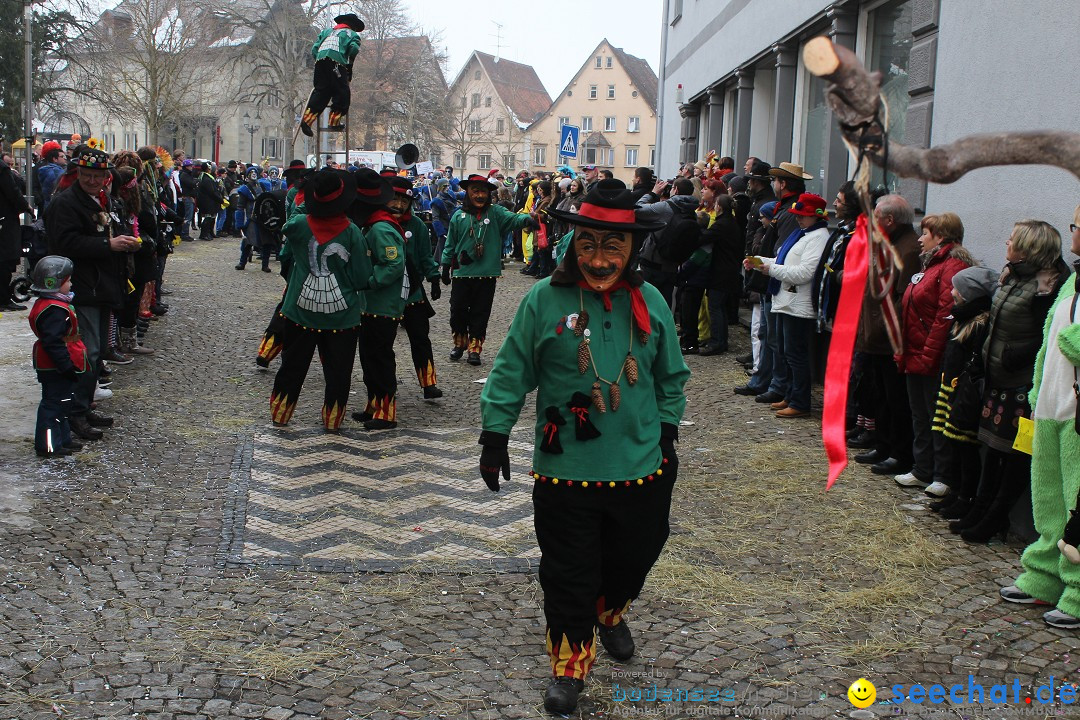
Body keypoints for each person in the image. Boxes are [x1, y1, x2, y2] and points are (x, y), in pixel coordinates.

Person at [477, 179, 690, 714]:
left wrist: (667, 431)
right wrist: (494, 435)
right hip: (564, 468)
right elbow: (509, 373)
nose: (600, 259)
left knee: (635, 557)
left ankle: (611, 610)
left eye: (612, 247)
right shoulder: (543, 299)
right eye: (589, 245)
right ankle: (570, 664)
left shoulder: (651, 300)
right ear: (573, 246)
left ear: (632, 249)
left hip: (641, 465)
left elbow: (672, 376)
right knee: (568, 571)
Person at [951, 219, 1071, 542]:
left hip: (1021, 384)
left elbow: (1048, 332)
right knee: (991, 450)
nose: (1006, 242)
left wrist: (1018, 356)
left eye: (1013, 239)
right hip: (997, 379)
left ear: (1029, 248)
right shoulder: (1011, 274)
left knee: (1014, 457)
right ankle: (979, 509)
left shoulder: (1049, 284)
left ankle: (994, 517)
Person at [999, 207, 1080, 628]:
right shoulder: (1071, 285)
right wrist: (1035, 392)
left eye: (1077, 227)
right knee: (1047, 495)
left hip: (1076, 412)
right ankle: (1045, 574)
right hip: (1051, 405)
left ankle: (1079, 588)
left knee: (1076, 500)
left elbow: (1068, 340)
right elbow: (1049, 344)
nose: (1073, 234)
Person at [44, 147, 140, 440]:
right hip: (81, 287)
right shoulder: (66, 203)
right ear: (78, 174)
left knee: (96, 354)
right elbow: (65, 244)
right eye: (86, 175)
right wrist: (108, 246)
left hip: (101, 285)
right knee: (87, 351)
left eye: (97, 176)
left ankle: (83, 408)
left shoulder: (101, 199)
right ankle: (74, 413)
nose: (92, 180)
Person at [269, 169, 371, 430]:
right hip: (342, 315)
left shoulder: (298, 227)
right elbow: (361, 276)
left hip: (299, 312)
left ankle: (281, 414)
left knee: (292, 366)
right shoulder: (353, 233)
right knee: (338, 372)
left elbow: (285, 249)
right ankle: (332, 420)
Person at [895, 212, 973, 493]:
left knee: (936, 416)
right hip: (915, 352)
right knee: (920, 415)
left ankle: (941, 475)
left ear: (940, 236)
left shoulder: (951, 266)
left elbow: (944, 316)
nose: (919, 238)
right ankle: (922, 468)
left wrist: (928, 355)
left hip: (931, 356)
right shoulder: (930, 264)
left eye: (925, 234)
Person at [850, 195, 922, 477]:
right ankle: (883, 445)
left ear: (890, 221)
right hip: (874, 335)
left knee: (895, 400)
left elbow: (902, 300)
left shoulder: (908, 250)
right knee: (878, 395)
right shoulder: (890, 244)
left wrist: (880, 328)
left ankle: (898, 452)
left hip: (887, 338)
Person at [745, 193, 830, 418]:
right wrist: (761, 262)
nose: (799, 220)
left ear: (815, 217)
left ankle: (800, 401)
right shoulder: (803, 234)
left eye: (803, 216)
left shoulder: (818, 237)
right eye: (798, 215)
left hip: (798, 305)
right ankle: (792, 396)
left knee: (796, 354)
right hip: (787, 301)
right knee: (787, 352)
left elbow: (805, 272)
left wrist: (770, 269)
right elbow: (785, 261)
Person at [440, 173, 537, 365]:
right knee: (458, 311)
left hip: (486, 274)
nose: (479, 196)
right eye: (475, 191)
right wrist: (444, 265)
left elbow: (513, 219)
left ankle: (475, 349)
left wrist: (527, 219)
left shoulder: (495, 213)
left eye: (483, 192)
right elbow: (450, 243)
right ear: (467, 192)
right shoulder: (458, 216)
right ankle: (460, 344)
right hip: (462, 273)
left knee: (480, 312)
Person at [930, 266, 998, 520]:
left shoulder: (978, 324)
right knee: (953, 444)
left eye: (957, 288)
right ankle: (954, 490)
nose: (952, 292)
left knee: (965, 448)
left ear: (969, 293)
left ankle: (965, 496)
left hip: (965, 394)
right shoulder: (960, 318)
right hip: (952, 388)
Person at [352, 170, 406, 430]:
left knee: (379, 360)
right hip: (372, 305)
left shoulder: (382, 229)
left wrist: (369, 281)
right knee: (369, 359)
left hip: (381, 306)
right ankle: (374, 404)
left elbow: (393, 263)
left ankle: (386, 412)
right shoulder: (375, 226)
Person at [386, 176, 444, 400]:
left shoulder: (417, 225)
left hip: (412, 293)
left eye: (403, 201)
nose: (399, 205)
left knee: (420, 339)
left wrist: (434, 277)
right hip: (385, 296)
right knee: (383, 344)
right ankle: (387, 383)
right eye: (394, 199)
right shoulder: (376, 224)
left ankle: (428, 383)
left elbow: (425, 256)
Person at [27, 256, 86, 457]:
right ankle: (49, 445)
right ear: (55, 283)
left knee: (63, 403)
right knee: (53, 405)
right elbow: (53, 342)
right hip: (55, 366)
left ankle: (62, 440)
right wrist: (65, 366)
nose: (70, 284)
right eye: (67, 281)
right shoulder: (54, 309)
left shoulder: (54, 304)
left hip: (57, 364)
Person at [634, 177, 700, 308]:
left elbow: (636, 210)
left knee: (645, 306)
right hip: (672, 268)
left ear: (675, 190)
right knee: (663, 307)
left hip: (651, 266)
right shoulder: (692, 213)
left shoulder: (666, 207)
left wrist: (652, 194)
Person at [299, 13, 364, 137]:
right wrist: (348, 66)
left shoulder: (326, 32)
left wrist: (320, 61)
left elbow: (314, 49)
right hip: (337, 64)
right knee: (342, 93)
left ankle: (307, 120)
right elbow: (353, 49)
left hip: (320, 62)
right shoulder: (352, 34)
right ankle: (334, 122)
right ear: (353, 26)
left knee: (321, 92)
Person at [0, 152, 33, 310]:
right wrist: (26, 207)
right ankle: (3, 299)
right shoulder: (2, 169)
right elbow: (13, 191)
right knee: (5, 260)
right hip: (4, 220)